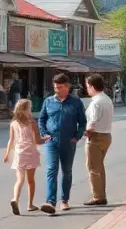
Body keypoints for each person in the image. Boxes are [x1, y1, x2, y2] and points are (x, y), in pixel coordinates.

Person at [38, 73, 86, 213]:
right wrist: (44, 133)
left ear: (67, 87)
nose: (57, 90)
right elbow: (41, 119)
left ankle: (64, 200)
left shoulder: (76, 102)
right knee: (52, 170)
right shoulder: (48, 101)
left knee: (67, 171)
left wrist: (76, 137)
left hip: (69, 141)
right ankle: (51, 202)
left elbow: (82, 122)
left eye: (59, 87)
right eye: (55, 87)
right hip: (52, 141)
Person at [3, 99, 46, 214]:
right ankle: (30, 205)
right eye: (29, 108)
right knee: (31, 181)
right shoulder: (31, 123)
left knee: (19, 179)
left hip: (19, 153)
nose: (30, 110)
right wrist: (46, 139)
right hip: (31, 152)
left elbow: (11, 140)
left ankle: (15, 199)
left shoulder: (14, 123)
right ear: (24, 110)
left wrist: (7, 154)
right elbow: (38, 141)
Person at [83, 74, 114, 206]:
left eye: (87, 86)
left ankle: (98, 196)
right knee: (99, 167)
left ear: (92, 86)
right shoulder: (106, 99)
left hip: (95, 136)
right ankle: (101, 194)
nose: (87, 89)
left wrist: (85, 133)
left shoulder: (96, 102)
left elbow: (92, 121)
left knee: (93, 168)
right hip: (106, 135)